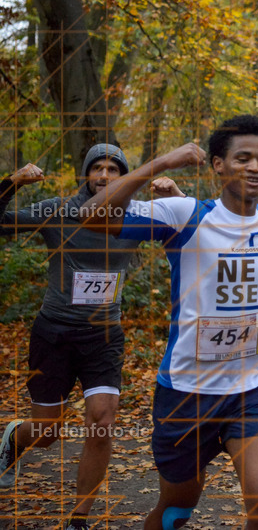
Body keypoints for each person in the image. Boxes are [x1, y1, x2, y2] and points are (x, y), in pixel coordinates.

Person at [77, 114, 258, 530]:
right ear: (217, 165)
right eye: (242, 157)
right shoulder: (185, 215)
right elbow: (92, 216)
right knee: (176, 510)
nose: (255, 167)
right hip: (185, 394)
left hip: (254, 389)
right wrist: (160, 164)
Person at [0, 144, 185, 530]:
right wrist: (12, 183)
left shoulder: (136, 215)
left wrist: (176, 197)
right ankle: (15, 439)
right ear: (86, 174)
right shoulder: (59, 210)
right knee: (46, 432)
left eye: (113, 169)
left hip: (103, 337)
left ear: (123, 176)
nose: (104, 176)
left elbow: (196, 235)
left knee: (102, 421)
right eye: (97, 168)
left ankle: (78, 519)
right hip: (53, 333)